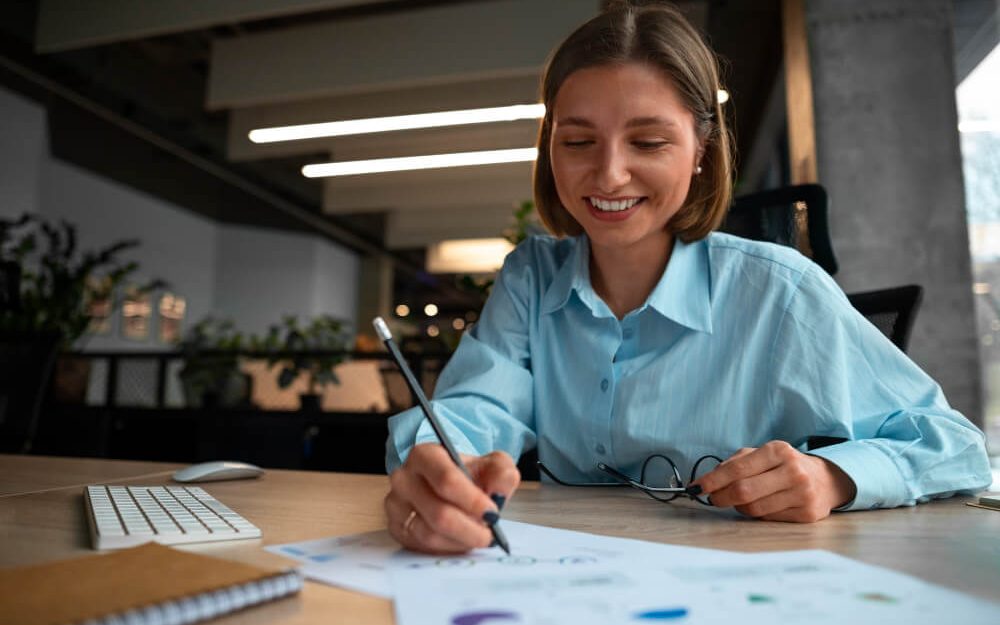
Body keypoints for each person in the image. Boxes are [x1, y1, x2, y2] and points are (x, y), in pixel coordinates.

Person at [383, 2, 992, 554]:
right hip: (567, 572)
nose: (610, 174)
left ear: (701, 148)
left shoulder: (779, 290)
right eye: (577, 141)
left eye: (648, 141)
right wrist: (440, 462)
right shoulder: (532, 277)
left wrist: (832, 476)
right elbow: (477, 405)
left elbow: (955, 447)